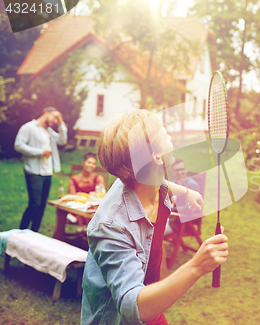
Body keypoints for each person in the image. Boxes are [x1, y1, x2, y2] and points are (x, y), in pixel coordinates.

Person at [81, 110, 228, 325]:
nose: (167, 132)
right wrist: (196, 266)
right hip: (123, 316)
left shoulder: (144, 181)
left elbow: (161, 183)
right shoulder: (111, 227)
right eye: (161, 131)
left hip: (150, 304)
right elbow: (132, 307)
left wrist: (187, 192)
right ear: (156, 157)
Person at [14, 107, 67, 232]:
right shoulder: (28, 128)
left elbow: (62, 140)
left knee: (42, 206)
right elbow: (18, 145)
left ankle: (34, 233)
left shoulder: (49, 131)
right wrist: (40, 152)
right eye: (54, 117)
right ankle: (20, 232)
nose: (55, 121)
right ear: (46, 113)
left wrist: (61, 122)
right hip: (33, 172)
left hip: (47, 172)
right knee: (35, 204)